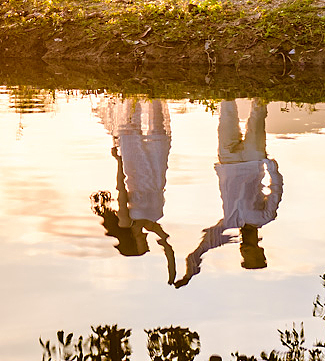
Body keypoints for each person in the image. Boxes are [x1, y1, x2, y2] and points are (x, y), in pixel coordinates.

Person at [175, 99, 282, 288]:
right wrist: (271, 166)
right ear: (260, 250)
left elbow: (200, 250)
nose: (243, 248)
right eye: (249, 251)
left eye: (243, 253)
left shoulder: (228, 225)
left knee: (226, 108)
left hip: (227, 161)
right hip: (253, 160)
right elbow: (276, 190)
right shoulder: (265, 217)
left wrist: (189, 273)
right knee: (258, 110)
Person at [91, 97, 177, 283]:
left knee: (131, 120)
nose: (146, 242)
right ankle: (151, 84)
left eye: (142, 245)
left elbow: (121, 190)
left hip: (135, 169)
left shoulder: (126, 222)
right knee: (158, 123)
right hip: (157, 165)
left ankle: (133, 85)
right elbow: (168, 247)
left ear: (133, 243)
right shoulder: (152, 223)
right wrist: (172, 272)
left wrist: (119, 161)